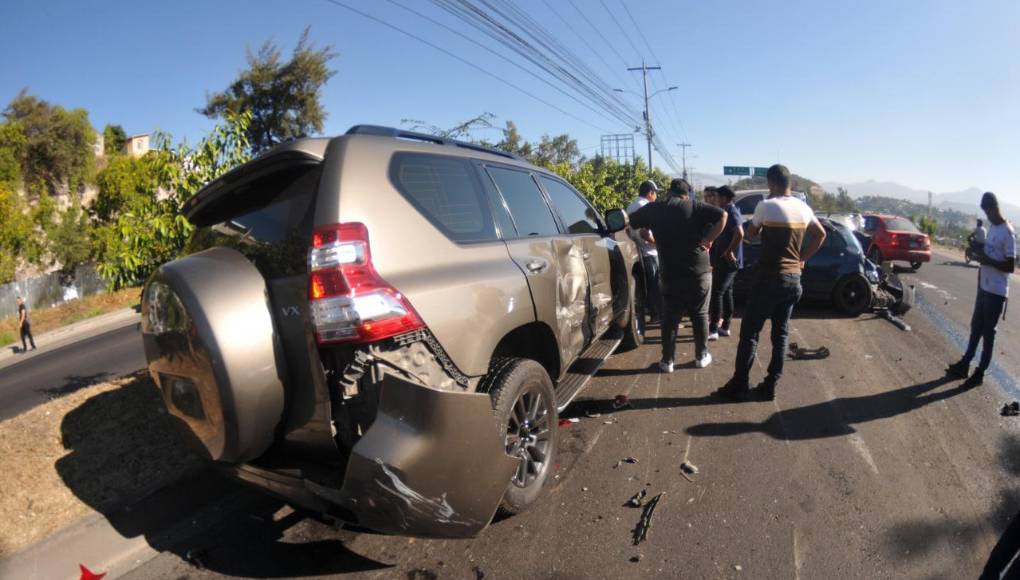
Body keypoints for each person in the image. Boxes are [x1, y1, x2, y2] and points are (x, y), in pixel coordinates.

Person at [716, 165, 825, 400]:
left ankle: (739, 384)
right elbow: (820, 235)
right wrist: (802, 259)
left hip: (769, 279)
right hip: (793, 280)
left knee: (750, 333)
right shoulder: (803, 207)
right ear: (790, 184)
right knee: (781, 334)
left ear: (772, 184)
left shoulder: (766, 206)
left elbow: (751, 235)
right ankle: (770, 386)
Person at [630, 178, 726, 373]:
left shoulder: (654, 209)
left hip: (670, 273)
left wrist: (651, 235)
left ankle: (667, 361)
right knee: (699, 315)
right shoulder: (695, 205)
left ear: (669, 193)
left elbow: (630, 221)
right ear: (686, 194)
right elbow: (723, 215)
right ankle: (701, 356)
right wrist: (709, 240)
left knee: (670, 318)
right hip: (699, 271)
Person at [947, 193, 1015, 388]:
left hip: (996, 291)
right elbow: (990, 252)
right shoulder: (992, 227)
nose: (986, 216)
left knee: (988, 332)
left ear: (994, 208)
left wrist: (989, 262)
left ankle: (980, 373)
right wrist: (980, 256)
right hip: (984, 286)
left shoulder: (1008, 232)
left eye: (987, 211)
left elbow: (1010, 266)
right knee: (975, 328)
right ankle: (965, 363)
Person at [708, 186, 744, 340]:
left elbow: (740, 232)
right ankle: (725, 326)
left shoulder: (731, 211)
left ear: (723, 198)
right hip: (726, 259)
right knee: (727, 291)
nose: (714, 199)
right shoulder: (727, 210)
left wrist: (729, 251)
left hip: (728, 260)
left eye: (716, 197)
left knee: (717, 292)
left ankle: (713, 329)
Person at [627, 180, 661, 330]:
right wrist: (658, 244)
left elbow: (630, 230)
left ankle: (653, 314)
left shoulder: (631, 205)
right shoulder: (646, 206)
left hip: (638, 251)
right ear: (650, 193)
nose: (656, 197)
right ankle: (657, 316)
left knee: (648, 286)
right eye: (655, 193)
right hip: (649, 252)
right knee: (655, 285)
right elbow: (644, 232)